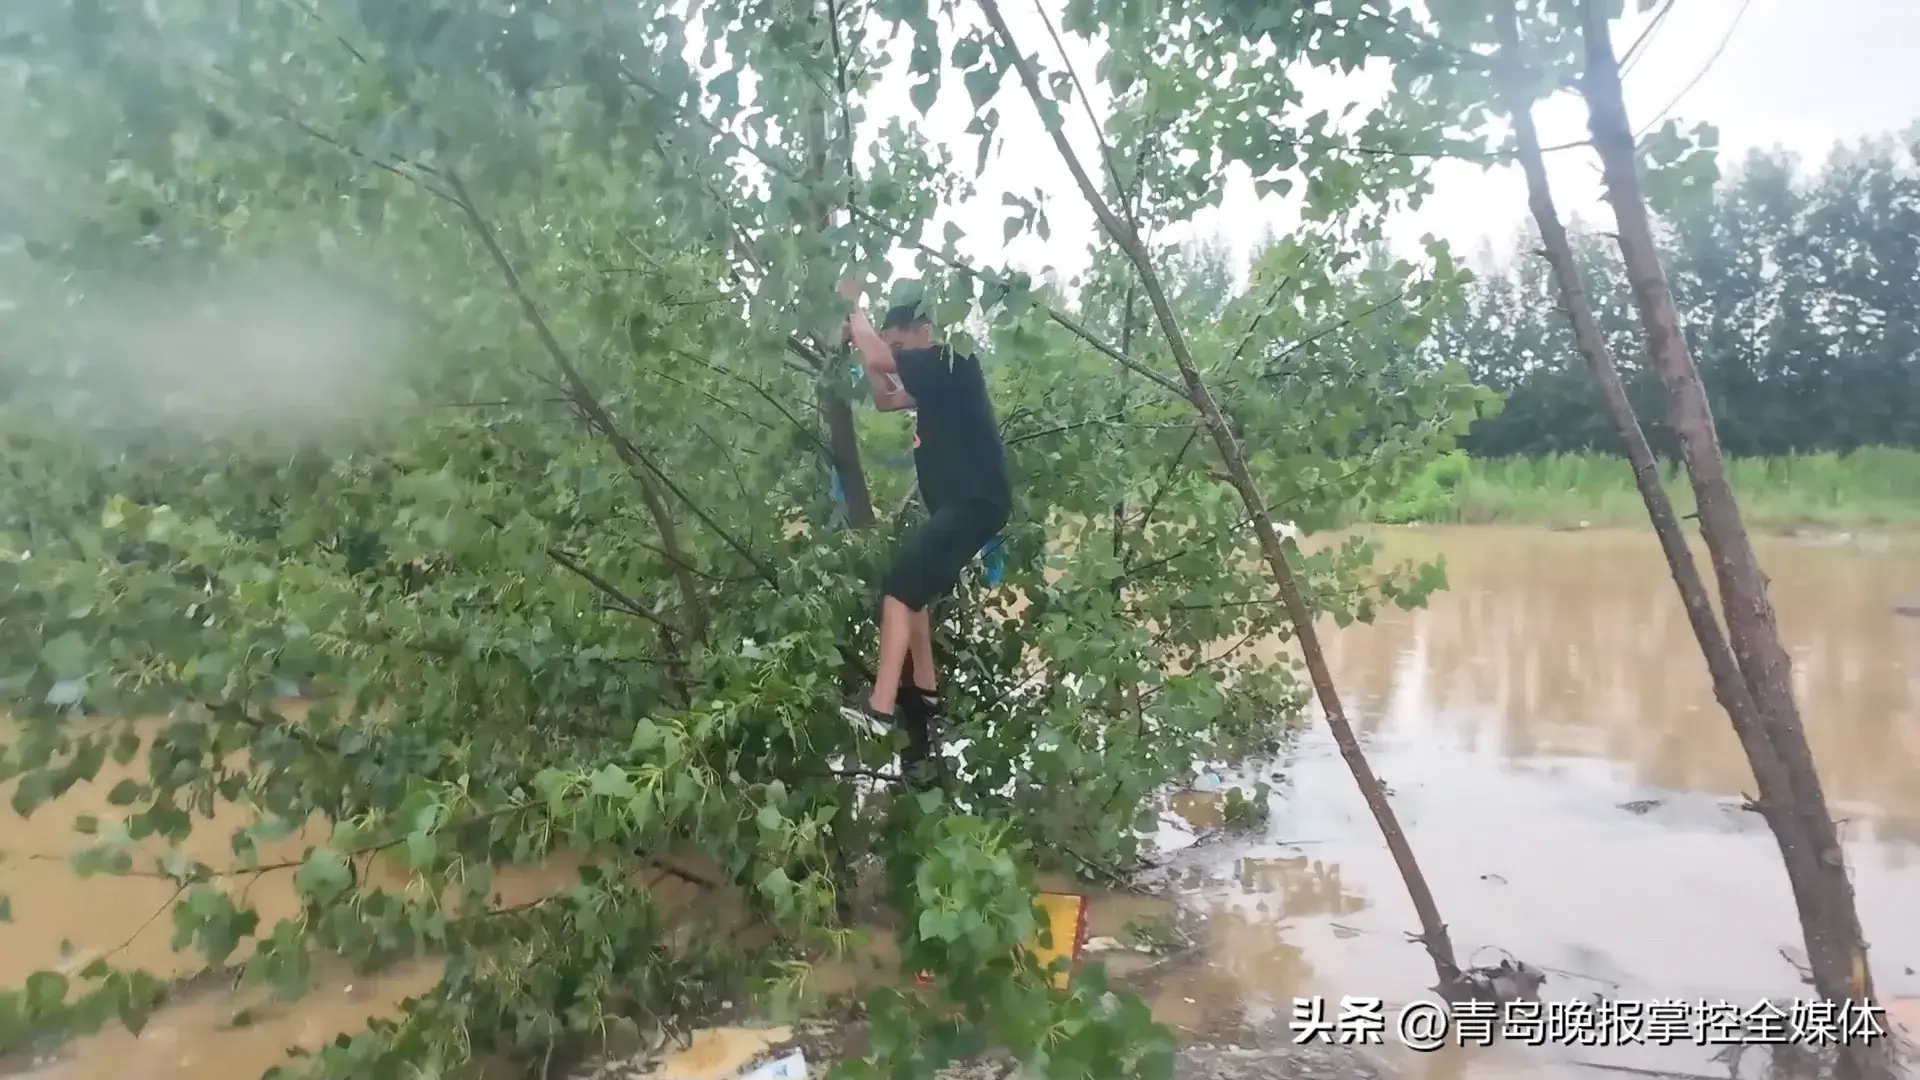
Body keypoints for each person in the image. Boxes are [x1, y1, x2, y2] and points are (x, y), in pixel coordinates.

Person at [836, 278, 1011, 787]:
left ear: (923, 332)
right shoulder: (934, 381)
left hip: (974, 501)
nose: (896, 354)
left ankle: (881, 706)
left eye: (900, 344)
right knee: (916, 596)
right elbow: (888, 399)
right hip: (961, 507)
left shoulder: (953, 361)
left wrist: (855, 311)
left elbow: (882, 362)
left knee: (897, 589)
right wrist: (866, 350)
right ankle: (927, 689)